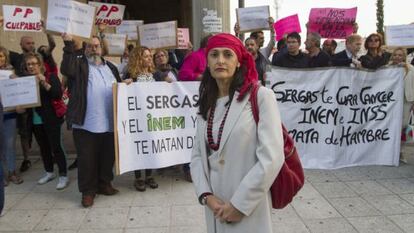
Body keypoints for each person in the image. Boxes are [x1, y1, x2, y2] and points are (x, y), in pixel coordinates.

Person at [190, 33, 284, 233]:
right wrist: (206, 196)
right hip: (215, 208)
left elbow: (272, 158)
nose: (220, 60)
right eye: (214, 55)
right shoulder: (206, 104)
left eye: (227, 55)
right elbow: (197, 155)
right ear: (207, 62)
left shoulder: (261, 97)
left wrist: (239, 205)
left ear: (239, 62)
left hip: (248, 207)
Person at [61, 34, 121, 207]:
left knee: (107, 156)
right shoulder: (79, 65)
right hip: (86, 122)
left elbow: (119, 85)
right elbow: (66, 69)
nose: (94, 48)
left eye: (97, 45)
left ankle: (104, 183)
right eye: (90, 46)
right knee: (87, 159)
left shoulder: (111, 66)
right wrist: (68, 44)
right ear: (85, 49)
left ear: (102, 48)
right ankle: (88, 191)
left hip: (109, 122)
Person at [124, 46, 172, 191]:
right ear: (138, 58)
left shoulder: (156, 74)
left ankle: (149, 176)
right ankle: (138, 177)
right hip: (137, 117)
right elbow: (122, 91)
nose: (149, 59)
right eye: (146, 56)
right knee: (139, 146)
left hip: (152, 117)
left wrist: (169, 81)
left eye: (150, 56)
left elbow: (166, 85)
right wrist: (124, 84)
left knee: (150, 146)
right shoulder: (131, 74)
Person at [21, 52, 69, 189]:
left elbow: (57, 94)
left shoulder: (50, 76)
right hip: (35, 120)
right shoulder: (25, 80)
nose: (31, 67)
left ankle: (63, 175)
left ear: (40, 64)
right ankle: (49, 172)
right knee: (44, 148)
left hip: (51, 118)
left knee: (56, 147)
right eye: (28, 64)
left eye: (33, 64)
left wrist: (43, 81)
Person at [0, 46, 23, 186]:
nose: (0, 59)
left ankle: (12, 171)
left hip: (9, 113)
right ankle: (2, 175)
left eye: (2, 56)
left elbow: (20, 90)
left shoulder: (12, 71)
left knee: (9, 144)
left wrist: (17, 80)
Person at [388, 48, 414, 163]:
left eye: (400, 55)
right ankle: (391, 151)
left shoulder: (411, 69)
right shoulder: (387, 68)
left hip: (406, 100)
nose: (397, 57)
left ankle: (401, 151)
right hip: (391, 101)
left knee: (403, 126)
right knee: (392, 125)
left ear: (404, 57)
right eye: (395, 55)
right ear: (392, 56)